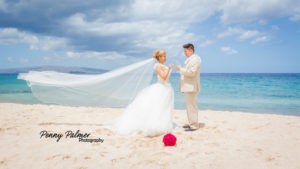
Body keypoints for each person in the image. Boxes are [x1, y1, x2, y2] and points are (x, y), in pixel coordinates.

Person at [104, 49, 178, 136]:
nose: (165, 58)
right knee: (158, 107)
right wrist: (169, 69)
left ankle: (164, 123)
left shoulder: (163, 66)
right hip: (161, 88)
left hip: (167, 88)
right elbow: (164, 77)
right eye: (163, 56)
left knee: (165, 107)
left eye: (165, 56)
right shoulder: (157, 66)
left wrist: (168, 68)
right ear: (159, 58)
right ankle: (156, 124)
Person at [176, 43, 201, 131]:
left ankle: (194, 125)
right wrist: (183, 87)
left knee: (192, 106)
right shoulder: (190, 60)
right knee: (189, 106)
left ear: (191, 50)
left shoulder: (196, 59)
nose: (184, 53)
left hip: (192, 87)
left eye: (186, 51)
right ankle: (191, 123)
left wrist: (180, 69)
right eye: (184, 51)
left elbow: (191, 73)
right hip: (188, 87)